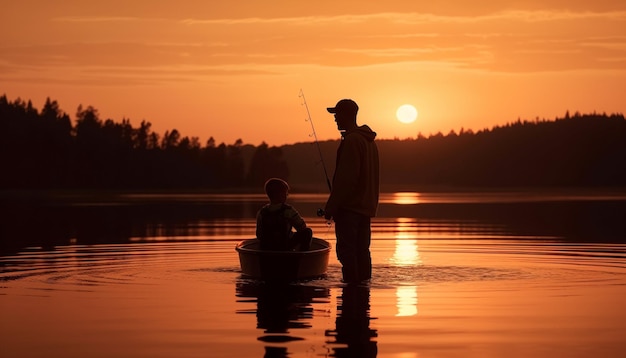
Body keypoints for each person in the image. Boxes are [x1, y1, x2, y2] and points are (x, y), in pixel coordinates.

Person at [324, 99, 380, 284]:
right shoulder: (368, 141)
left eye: (337, 115)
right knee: (362, 252)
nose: (335, 119)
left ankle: (351, 290)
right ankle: (363, 292)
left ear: (346, 115)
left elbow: (346, 179)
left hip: (350, 210)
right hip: (365, 208)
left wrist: (331, 207)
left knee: (347, 253)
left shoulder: (353, 140)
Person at [256, 178, 313, 251]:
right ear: (281, 194)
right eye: (286, 193)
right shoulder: (288, 211)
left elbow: (259, 235)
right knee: (307, 232)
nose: (287, 195)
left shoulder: (261, 212)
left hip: (266, 248)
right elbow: (302, 227)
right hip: (284, 247)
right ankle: (302, 257)